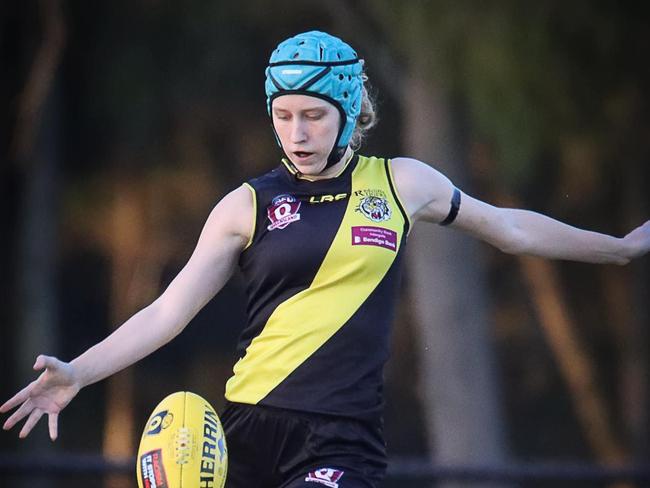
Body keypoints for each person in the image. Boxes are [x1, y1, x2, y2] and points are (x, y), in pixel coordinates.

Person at [2, 30, 649, 488]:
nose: (297, 133)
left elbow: (512, 229)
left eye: (313, 115)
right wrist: (79, 373)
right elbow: (168, 311)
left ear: (348, 110)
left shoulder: (401, 184)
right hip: (246, 434)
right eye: (282, 116)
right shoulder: (245, 205)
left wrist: (619, 251)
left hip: (342, 441)